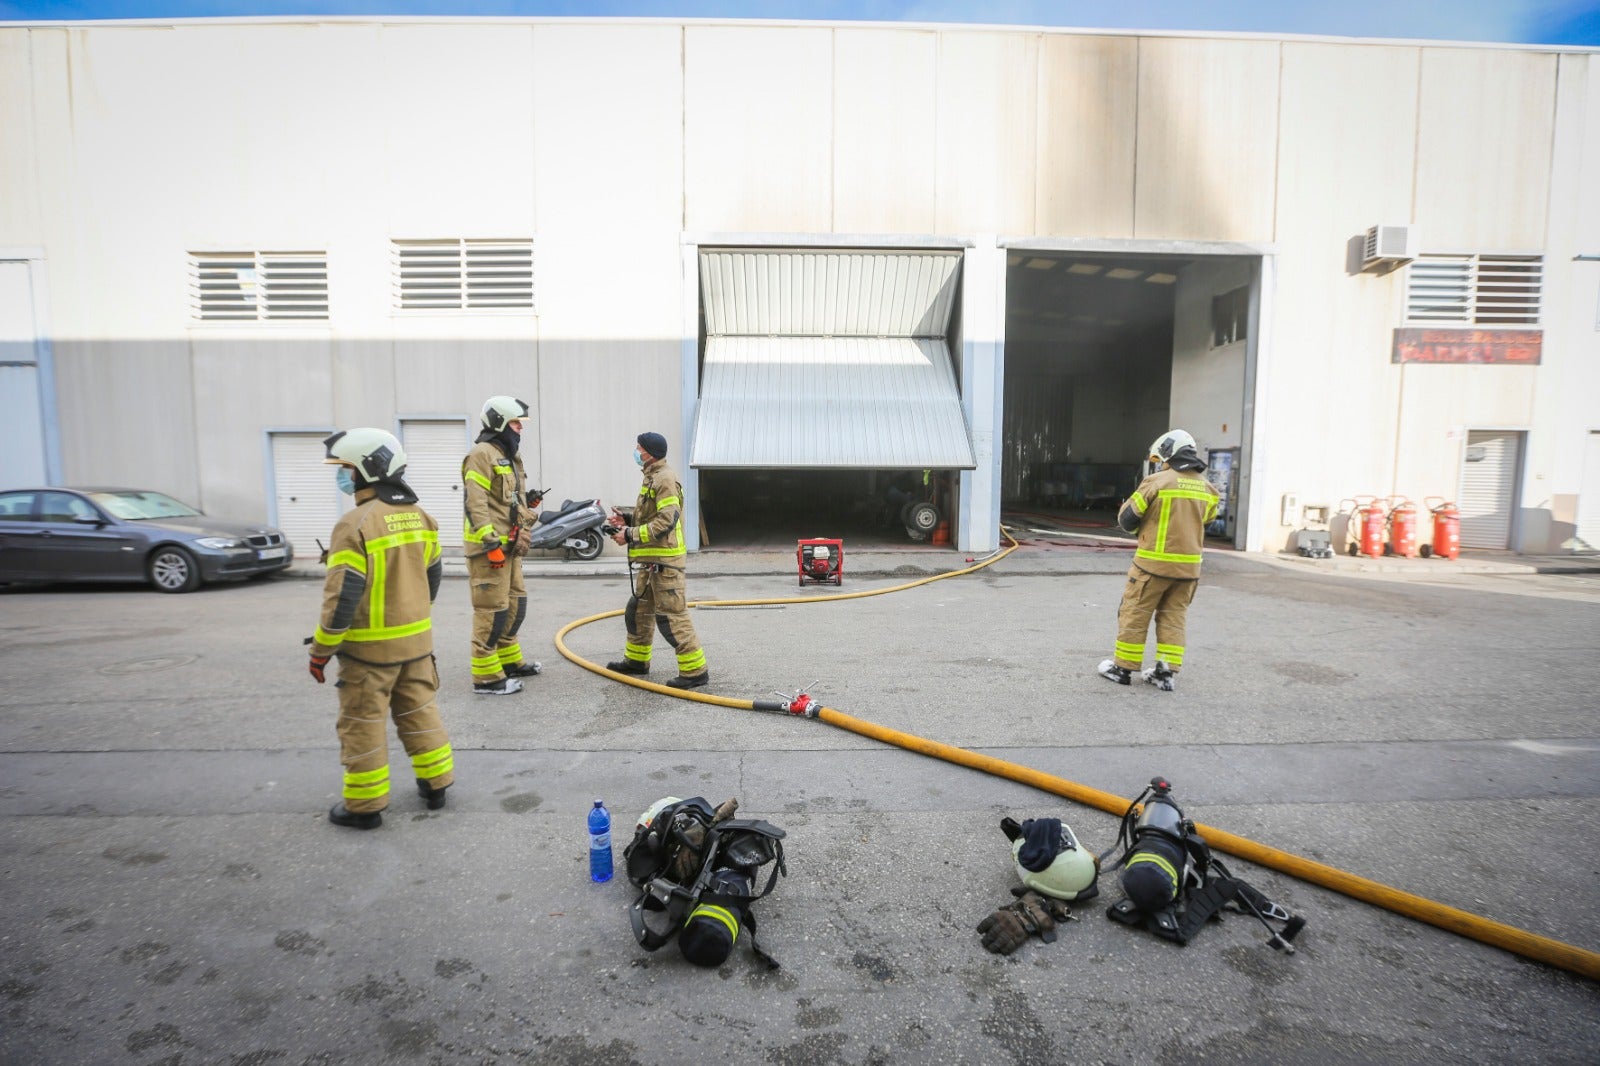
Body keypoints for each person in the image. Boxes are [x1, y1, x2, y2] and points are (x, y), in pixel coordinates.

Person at [308, 428, 452, 830]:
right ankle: (436, 785)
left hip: (369, 653)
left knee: (362, 724)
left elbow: (341, 598)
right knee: (421, 712)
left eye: (346, 469)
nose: (343, 477)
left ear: (365, 471)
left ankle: (365, 806)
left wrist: (321, 650)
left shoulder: (354, 524)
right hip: (417, 644)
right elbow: (433, 579)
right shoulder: (422, 516)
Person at [1097, 429, 1220, 692]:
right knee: (1173, 616)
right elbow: (1206, 522)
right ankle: (1165, 673)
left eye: (1160, 458)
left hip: (1151, 567)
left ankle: (1123, 669)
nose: (1159, 463)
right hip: (1189, 571)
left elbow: (1126, 519)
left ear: (1167, 453)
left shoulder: (1157, 482)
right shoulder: (1209, 489)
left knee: (1135, 613)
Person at [605, 432, 709, 689]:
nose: (636, 451)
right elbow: (652, 516)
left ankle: (695, 672)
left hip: (664, 564)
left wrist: (629, 535)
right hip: (650, 563)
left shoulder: (665, 479)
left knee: (671, 617)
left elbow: (666, 520)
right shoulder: (652, 477)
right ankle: (637, 662)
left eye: (638, 448)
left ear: (649, 452)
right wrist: (627, 520)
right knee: (638, 612)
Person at [461, 395, 541, 695]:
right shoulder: (481, 454)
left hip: (510, 547)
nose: (520, 428)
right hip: (489, 550)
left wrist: (526, 503)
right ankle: (486, 678)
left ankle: (509, 662)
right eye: (516, 423)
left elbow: (503, 500)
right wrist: (489, 541)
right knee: (491, 611)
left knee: (515, 605)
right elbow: (476, 502)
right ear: (499, 422)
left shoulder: (507, 455)